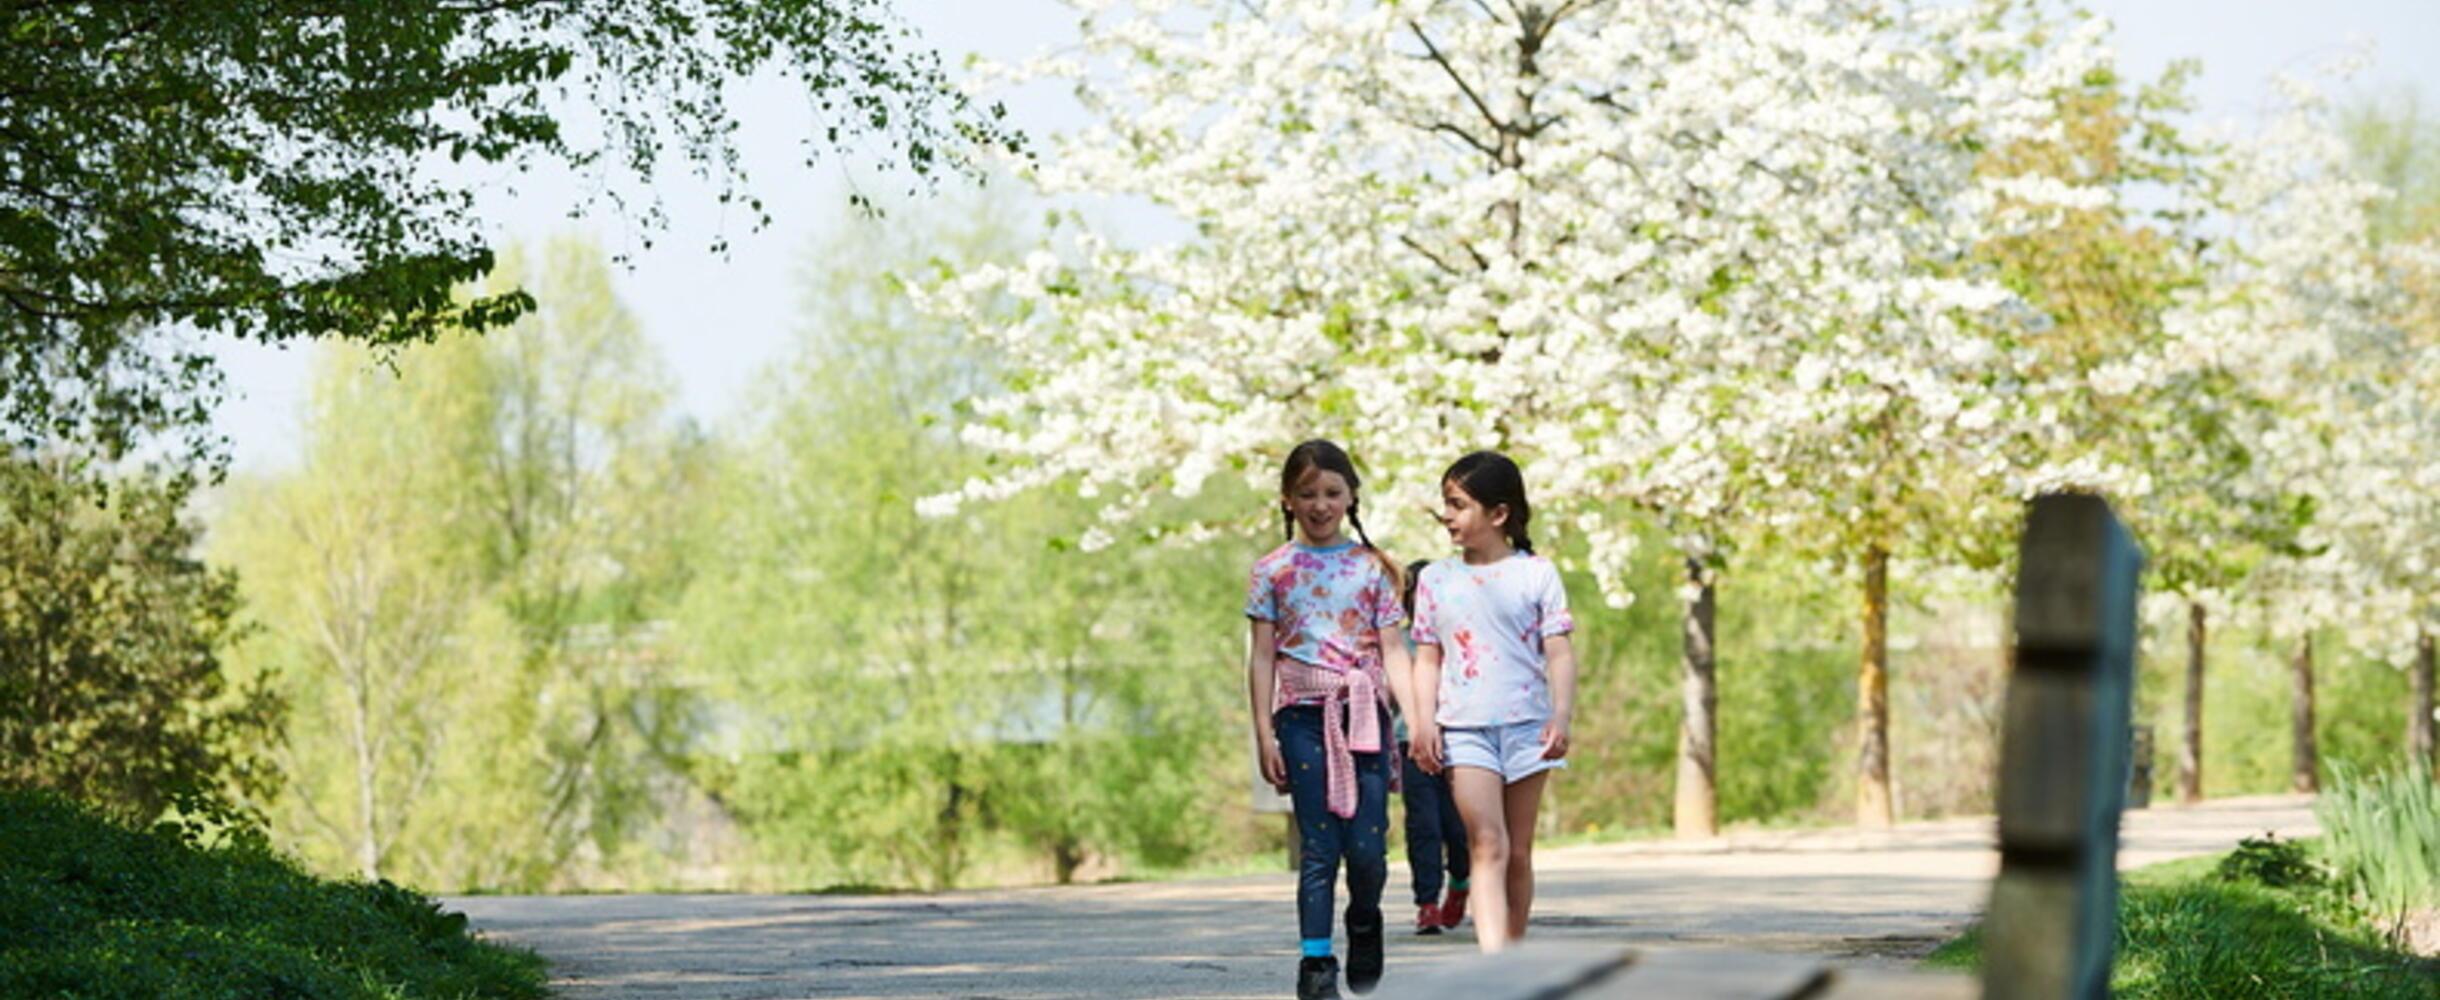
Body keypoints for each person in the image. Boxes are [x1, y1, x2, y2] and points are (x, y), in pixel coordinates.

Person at [1245, 439, 1416, 1000]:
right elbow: (1263, 655)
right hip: (1301, 716)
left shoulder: (1374, 568)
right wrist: (1264, 733)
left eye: (1331, 493)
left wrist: (1414, 721)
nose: (1320, 505)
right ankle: (1316, 966)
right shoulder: (1271, 570)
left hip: (1365, 715)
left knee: (1367, 849)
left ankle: (1364, 922)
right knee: (1319, 846)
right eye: (1307, 494)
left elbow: (1395, 651)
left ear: (1350, 498)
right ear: (1288, 500)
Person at [1407, 451, 1577, 955]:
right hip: (1463, 730)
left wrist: (1561, 716)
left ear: (1498, 514)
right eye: (1446, 504)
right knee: (1487, 844)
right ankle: (1494, 967)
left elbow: (1559, 652)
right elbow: (1426, 660)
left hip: (1529, 729)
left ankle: (1515, 963)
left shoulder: (1537, 574)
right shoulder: (1435, 579)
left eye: (1458, 505)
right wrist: (1422, 723)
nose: (1448, 516)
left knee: (1519, 854)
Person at [1396, 559, 1470, 936]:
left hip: (1460, 740)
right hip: (1411, 743)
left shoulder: (1460, 637)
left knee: (1458, 829)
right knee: (1423, 825)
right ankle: (1426, 903)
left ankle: (1460, 883)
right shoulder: (1399, 641)